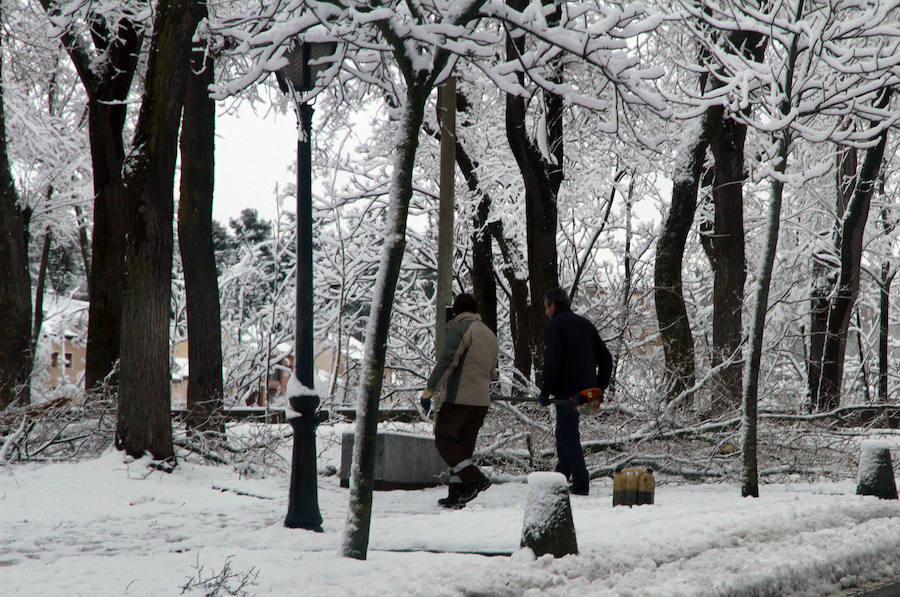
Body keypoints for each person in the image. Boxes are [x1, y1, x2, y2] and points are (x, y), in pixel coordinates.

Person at [421, 292, 499, 508]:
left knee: (444, 440)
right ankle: (457, 493)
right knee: (462, 451)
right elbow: (493, 372)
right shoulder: (489, 334)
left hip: (458, 400)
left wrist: (430, 390)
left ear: (456, 311)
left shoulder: (460, 329)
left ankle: (475, 480)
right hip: (480, 402)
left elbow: (448, 361)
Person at [538, 286, 613, 496]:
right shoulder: (585, 324)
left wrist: (546, 391)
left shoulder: (555, 326)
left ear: (553, 306)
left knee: (569, 435)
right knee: (564, 431)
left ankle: (580, 483)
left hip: (566, 392)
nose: (545, 313)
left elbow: (553, 361)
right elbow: (606, 359)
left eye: (546, 308)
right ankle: (560, 476)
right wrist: (598, 387)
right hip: (586, 393)